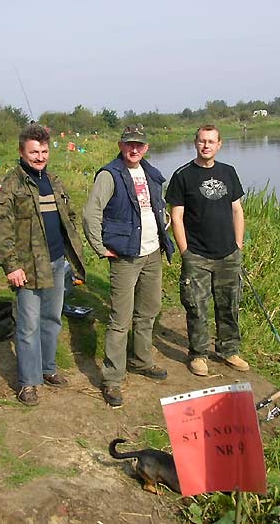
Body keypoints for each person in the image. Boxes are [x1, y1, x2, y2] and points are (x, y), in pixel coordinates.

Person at [0, 124, 86, 406]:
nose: (40, 157)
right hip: (27, 268)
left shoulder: (54, 181)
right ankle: (27, 382)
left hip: (56, 263)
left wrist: (71, 255)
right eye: (34, 152)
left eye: (44, 151)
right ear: (21, 152)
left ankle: (47, 369)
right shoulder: (10, 185)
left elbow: (68, 217)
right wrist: (11, 266)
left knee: (52, 320)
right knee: (28, 326)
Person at [83, 125, 175, 408]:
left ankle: (142, 360)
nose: (134, 149)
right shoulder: (109, 175)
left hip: (152, 253)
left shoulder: (151, 173)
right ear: (121, 145)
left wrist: (164, 224)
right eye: (129, 144)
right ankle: (112, 378)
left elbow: (156, 207)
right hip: (125, 256)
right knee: (120, 319)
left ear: (146, 148)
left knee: (148, 311)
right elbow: (91, 214)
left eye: (139, 145)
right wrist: (100, 247)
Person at [165, 124, 248, 377]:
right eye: (202, 141)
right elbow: (176, 217)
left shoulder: (228, 172)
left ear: (219, 145)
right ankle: (198, 354)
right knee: (196, 307)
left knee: (229, 305)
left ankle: (229, 350)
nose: (206, 145)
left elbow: (237, 210)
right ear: (195, 143)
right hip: (197, 255)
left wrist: (238, 245)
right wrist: (185, 252)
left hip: (228, 254)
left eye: (211, 141)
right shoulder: (182, 175)